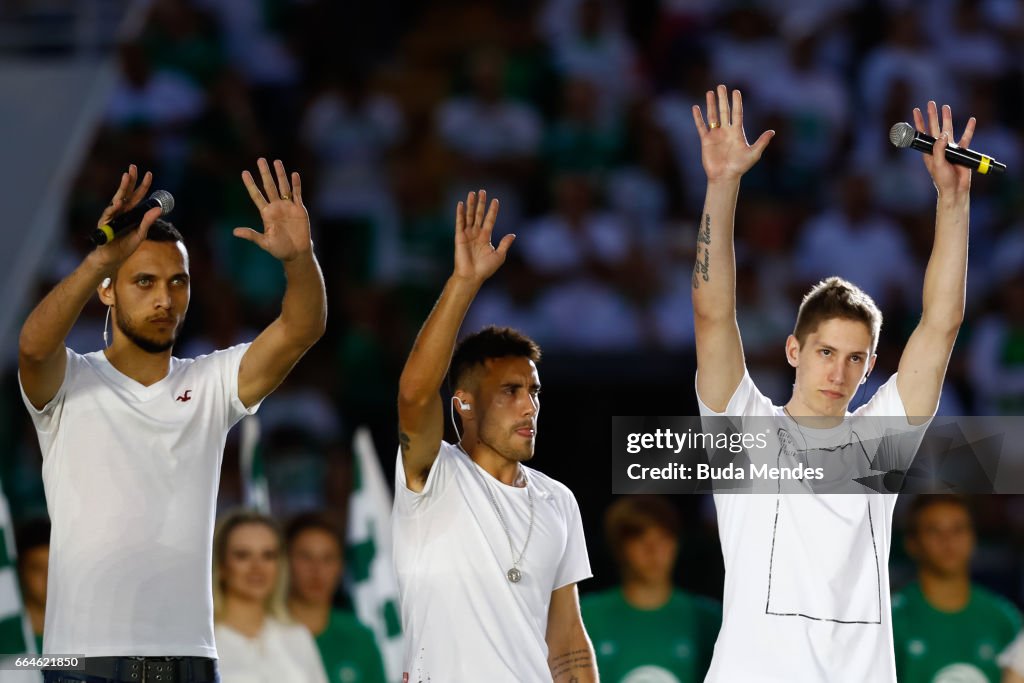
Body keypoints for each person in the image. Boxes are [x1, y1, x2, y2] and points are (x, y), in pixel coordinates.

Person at [691, 84, 973, 682]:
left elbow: (941, 324)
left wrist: (953, 199)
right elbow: (713, 314)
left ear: (870, 368)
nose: (838, 371)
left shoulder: (882, 440)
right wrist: (722, 186)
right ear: (793, 350)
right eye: (824, 351)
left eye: (855, 358)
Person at [18, 160, 326, 683]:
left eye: (177, 282)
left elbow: (301, 329)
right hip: (78, 662)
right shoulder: (68, 380)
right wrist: (98, 261)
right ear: (108, 291)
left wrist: (300, 260)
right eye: (144, 281)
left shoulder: (212, 382)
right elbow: (32, 345)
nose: (165, 299)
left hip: (189, 661)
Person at [394, 191, 596, 681]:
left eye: (534, 390)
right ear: (462, 402)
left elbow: (568, 638)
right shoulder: (432, 474)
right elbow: (415, 395)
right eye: (510, 390)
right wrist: (464, 283)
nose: (530, 405)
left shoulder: (558, 500)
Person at [581, 496, 721, 683]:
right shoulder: (584, 617)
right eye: (640, 540)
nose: (653, 551)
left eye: (663, 539)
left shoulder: (708, 619)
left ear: (676, 544)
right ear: (619, 547)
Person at [892, 495, 1020, 683]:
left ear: (974, 537)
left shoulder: (1005, 618)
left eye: (958, 529)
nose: (948, 540)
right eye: (934, 531)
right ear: (912, 543)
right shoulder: (892, 619)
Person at [212, 510, 328, 683]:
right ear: (221, 565)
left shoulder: (297, 636)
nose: (257, 567)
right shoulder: (203, 645)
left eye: (268, 555)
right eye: (243, 555)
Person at [285, 512, 387, 683]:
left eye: (328, 558)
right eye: (305, 557)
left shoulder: (360, 638)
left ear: (340, 566)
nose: (317, 571)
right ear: (285, 561)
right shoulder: (263, 632)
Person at [14, 518, 50, 653]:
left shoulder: (90, 632)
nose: (48, 578)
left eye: (54, 568)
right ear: (20, 571)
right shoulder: (7, 637)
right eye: (37, 568)